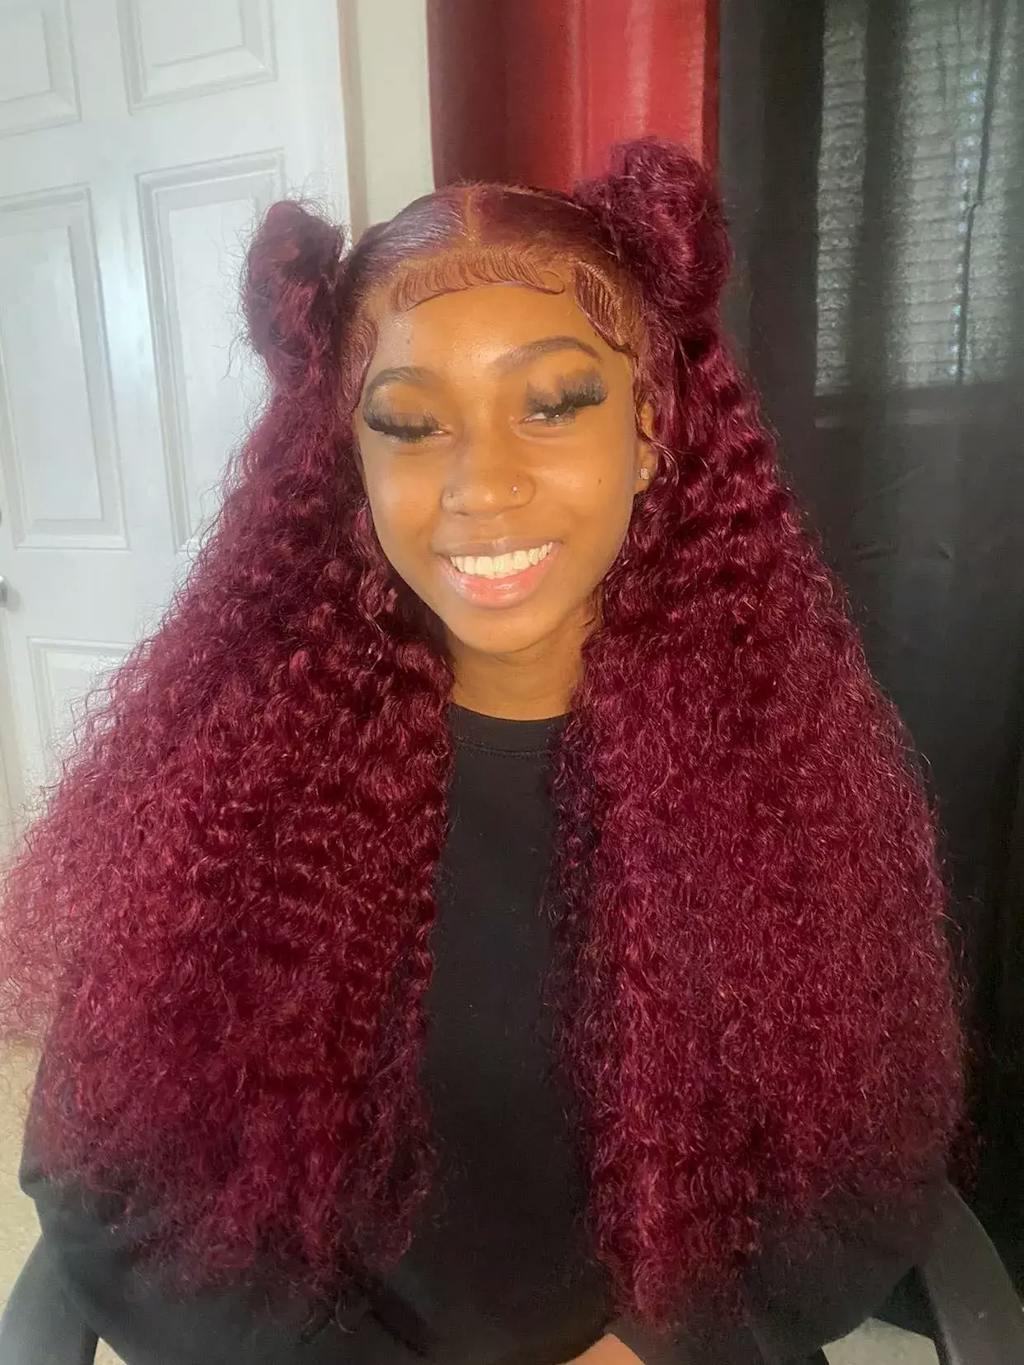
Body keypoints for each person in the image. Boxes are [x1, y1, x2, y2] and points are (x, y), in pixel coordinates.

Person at [1, 136, 966, 1365]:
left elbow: (871, 1161)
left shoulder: (787, 779)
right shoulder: (231, 785)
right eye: (410, 424)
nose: (480, 484)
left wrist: (646, 1351)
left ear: (652, 429)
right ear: (350, 465)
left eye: (553, 404)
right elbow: (104, 1176)